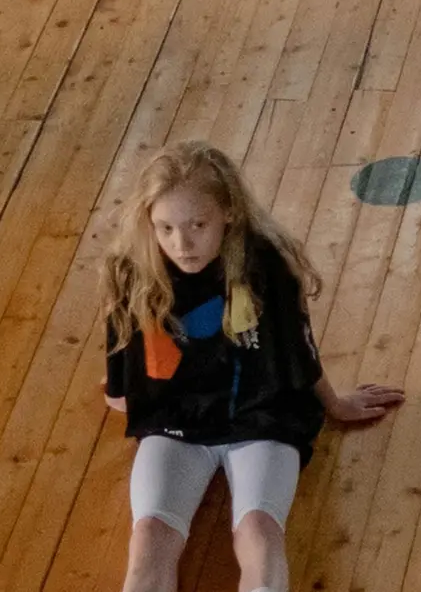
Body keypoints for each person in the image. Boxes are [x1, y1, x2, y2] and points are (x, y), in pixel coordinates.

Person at [101, 141, 404, 592]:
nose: (182, 244)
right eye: (165, 228)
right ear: (149, 223)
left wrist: (335, 403)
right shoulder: (132, 273)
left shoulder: (267, 266)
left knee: (259, 532)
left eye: (198, 225)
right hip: (175, 426)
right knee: (149, 539)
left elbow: (298, 351)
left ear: (228, 212)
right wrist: (124, 389)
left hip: (262, 418)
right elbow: (121, 374)